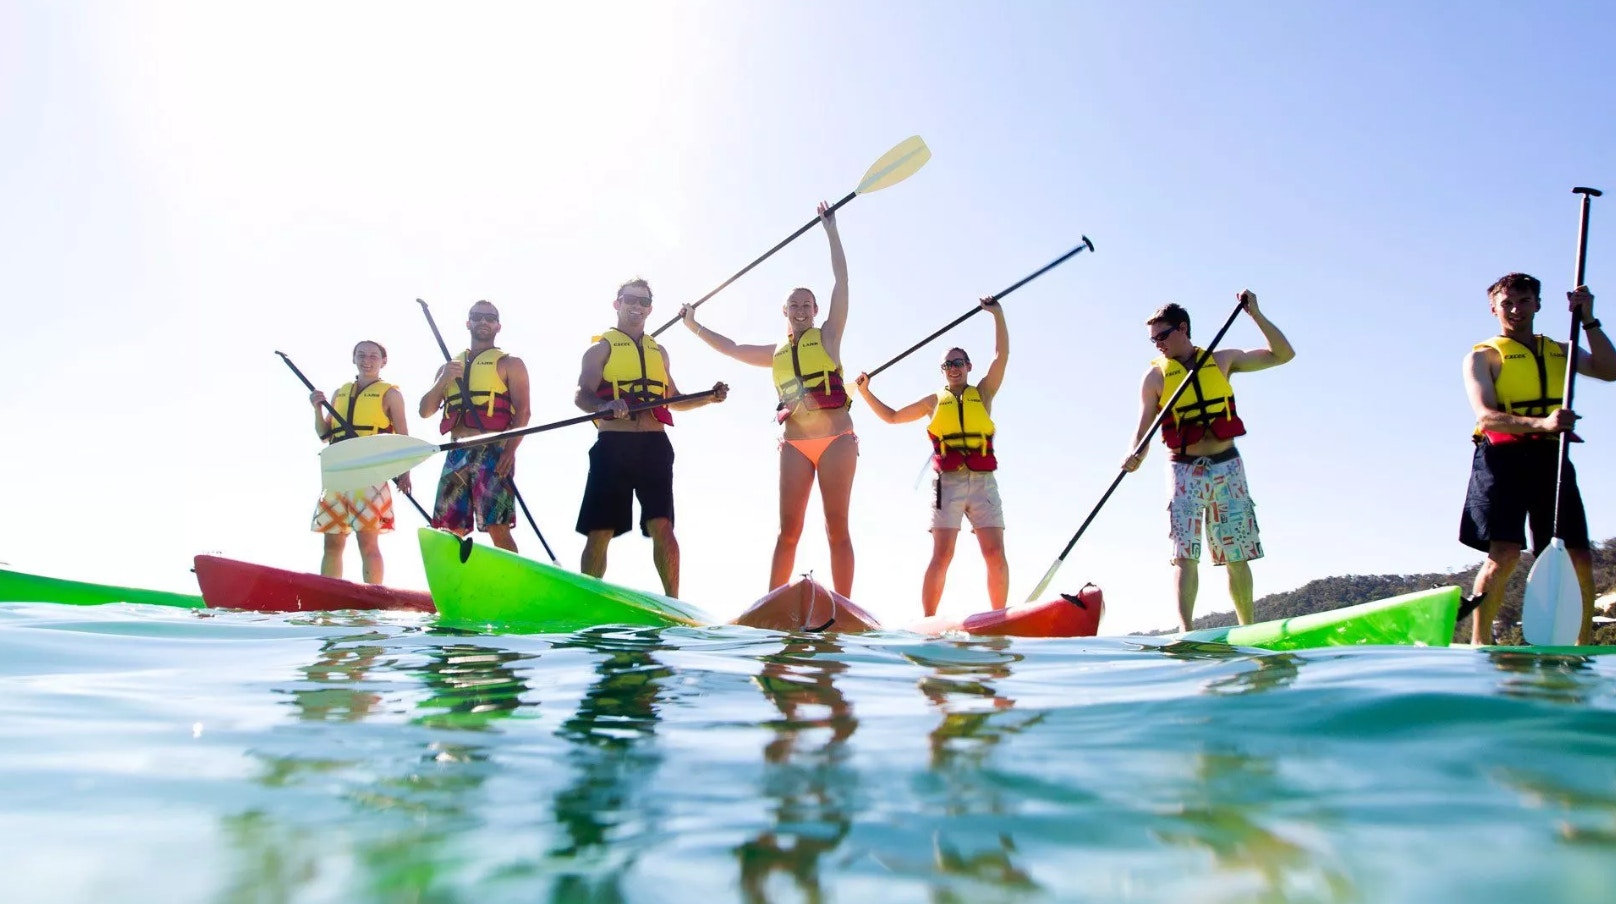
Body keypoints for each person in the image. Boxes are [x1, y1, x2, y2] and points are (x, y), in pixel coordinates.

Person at [681, 202, 857, 595]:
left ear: (815, 310)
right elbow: (730, 346)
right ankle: (773, 604)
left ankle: (844, 604)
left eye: (806, 305)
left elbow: (841, 282)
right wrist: (693, 326)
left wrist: (830, 230)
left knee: (836, 527)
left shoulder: (828, 337)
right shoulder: (772, 353)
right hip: (795, 442)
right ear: (784, 310)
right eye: (793, 304)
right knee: (788, 531)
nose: (799, 310)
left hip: (836, 441)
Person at [1122, 292, 1295, 632]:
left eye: (1162, 335)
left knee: (1236, 555)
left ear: (1182, 328)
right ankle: (1186, 632)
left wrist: (1255, 314)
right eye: (1152, 339)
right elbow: (1142, 428)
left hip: (1226, 465)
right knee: (1184, 554)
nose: (1157, 344)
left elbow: (1283, 354)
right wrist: (1133, 455)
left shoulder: (1221, 359)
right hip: (1184, 469)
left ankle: (1249, 630)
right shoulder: (1154, 378)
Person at [1460, 274, 1615, 645]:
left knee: (1577, 555)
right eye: (1507, 303)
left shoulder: (1562, 350)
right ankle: (1482, 643)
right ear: (1494, 308)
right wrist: (1542, 422)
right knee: (1505, 553)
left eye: (1524, 301)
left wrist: (1589, 318)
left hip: (1551, 459)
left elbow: (1610, 371)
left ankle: (1581, 646)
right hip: (1502, 458)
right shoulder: (1483, 356)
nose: (1516, 309)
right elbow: (1485, 415)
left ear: (1538, 305)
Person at [854, 298, 1009, 616]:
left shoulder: (983, 392)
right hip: (947, 484)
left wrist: (997, 315)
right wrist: (866, 392)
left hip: (982, 482)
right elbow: (893, 416)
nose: (953, 368)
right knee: (942, 554)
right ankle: (929, 622)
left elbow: (1001, 356)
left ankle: (998, 618)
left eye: (958, 363)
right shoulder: (932, 402)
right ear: (943, 371)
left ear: (968, 367)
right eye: (948, 365)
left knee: (994, 553)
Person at [575, 278, 728, 597]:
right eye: (630, 299)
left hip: (655, 447)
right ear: (617, 303)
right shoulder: (599, 349)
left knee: (663, 527)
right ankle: (589, 596)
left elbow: (673, 398)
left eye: (643, 302)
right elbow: (581, 395)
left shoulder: (659, 353)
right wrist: (604, 405)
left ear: (650, 309)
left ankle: (674, 603)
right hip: (613, 446)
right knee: (601, 530)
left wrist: (708, 398)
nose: (637, 306)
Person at [418, 300, 531, 552]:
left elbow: (523, 412)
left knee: (497, 525)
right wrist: (444, 379)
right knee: (448, 528)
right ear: (468, 322)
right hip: (456, 451)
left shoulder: (510, 363)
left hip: (492, 450)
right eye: (477, 317)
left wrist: (510, 452)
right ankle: (453, 582)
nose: (483, 322)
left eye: (489, 318)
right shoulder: (449, 366)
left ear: (498, 326)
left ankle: (509, 583)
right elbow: (425, 411)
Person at [308, 340, 412, 584]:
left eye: (374, 356)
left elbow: (403, 437)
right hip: (338, 472)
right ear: (353, 358)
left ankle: (373, 591)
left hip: (369, 472)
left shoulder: (391, 394)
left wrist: (405, 473)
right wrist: (316, 409)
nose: (367, 360)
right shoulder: (340, 393)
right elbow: (325, 435)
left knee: (367, 539)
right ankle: (330, 592)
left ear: (383, 361)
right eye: (361, 355)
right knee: (332, 540)